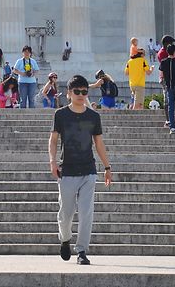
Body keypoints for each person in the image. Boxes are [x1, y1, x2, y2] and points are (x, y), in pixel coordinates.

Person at [49, 74, 113, 266]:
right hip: (67, 170)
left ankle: (82, 250)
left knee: (86, 212)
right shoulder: (60, 114)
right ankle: (64, 239)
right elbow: (53, 140)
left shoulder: (94, 116)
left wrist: (107, 167)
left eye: (84, 92)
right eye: (76, 91)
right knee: (66, 213)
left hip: (88, 170)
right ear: (69, 93)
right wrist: (52, 161)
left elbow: (99, 143)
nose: (80, 94)